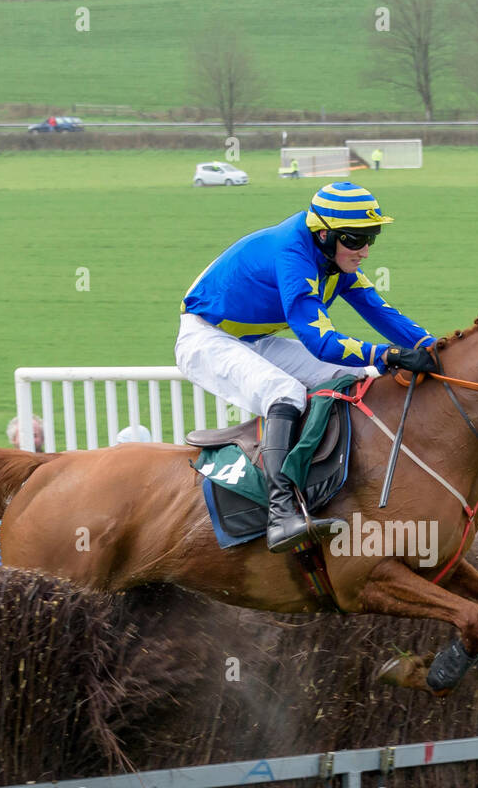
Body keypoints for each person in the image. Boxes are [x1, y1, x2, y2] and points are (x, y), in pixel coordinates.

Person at [176, 181, 437, 552]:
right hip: (205, 339)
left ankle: (329, 482)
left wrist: (434, 346)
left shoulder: (331, 256)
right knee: (286, 393)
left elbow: (378, 309)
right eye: (355, 239)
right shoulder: (292, 256)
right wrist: (387, 355)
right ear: (324, 235)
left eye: (371, 238)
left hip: (251, 339)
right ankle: (281, 513)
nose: (364, 250)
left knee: (349, 377)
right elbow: (321, 342)